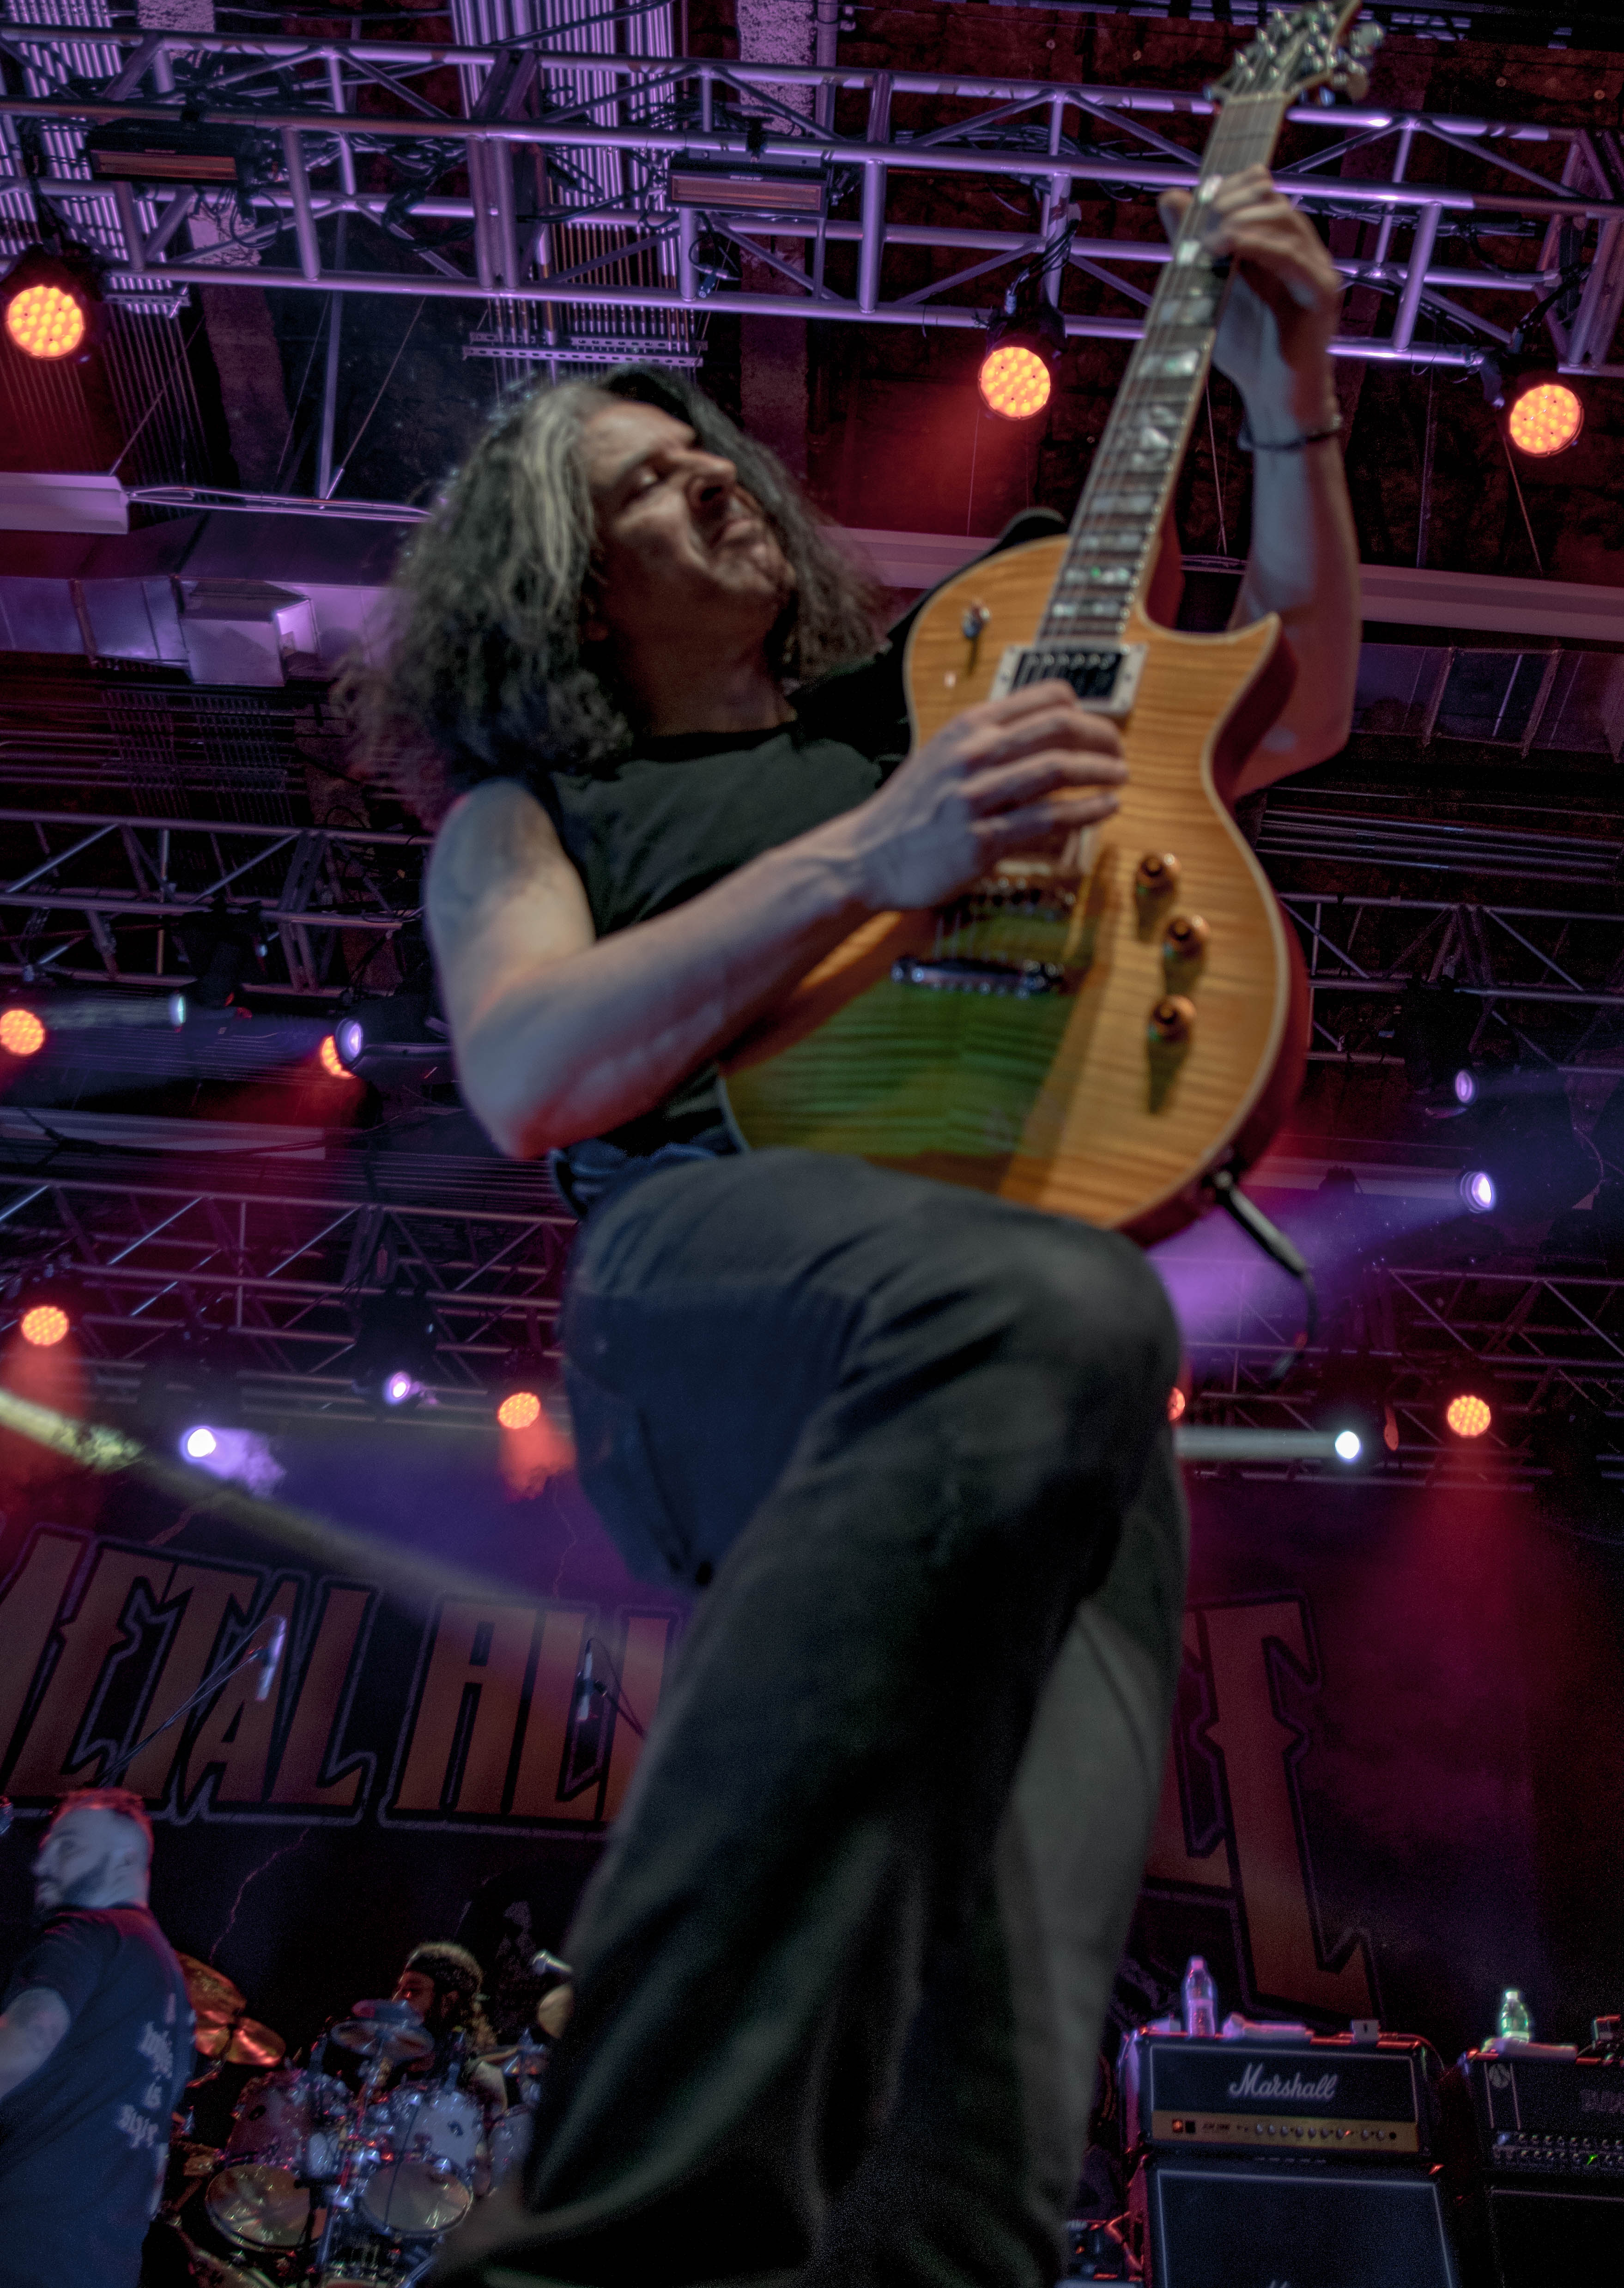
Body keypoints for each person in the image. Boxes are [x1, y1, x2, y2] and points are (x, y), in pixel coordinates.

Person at [349, 164, 1360, 2288]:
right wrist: (869, 857)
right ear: (564, 588)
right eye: (645, 483)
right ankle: (614, 2228)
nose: (717, 477)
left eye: (710, 450)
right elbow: (527, 1070)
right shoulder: (538, 815)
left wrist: (1291, 400)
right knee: (1071, 1304)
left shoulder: (930, 702)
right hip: (708, 1268)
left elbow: (1289, 703)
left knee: (1012, 1984)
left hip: (1024, 1351)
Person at [0, 1788, 192, 2288]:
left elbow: (30, 2037)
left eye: (68, 1847)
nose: (42, 1866)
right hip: (102, 2268)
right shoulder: (173, 1991)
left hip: (18, 2250)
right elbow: (154, 2170)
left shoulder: (89, 1930)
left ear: (126, 1859)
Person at [392, 1940, 509, 2139]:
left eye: (412, 1991)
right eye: (399, 1989)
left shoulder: (481, 2079)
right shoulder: (388, 2064)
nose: (397, 2000)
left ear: (448, 2001)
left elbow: (492, 2151)